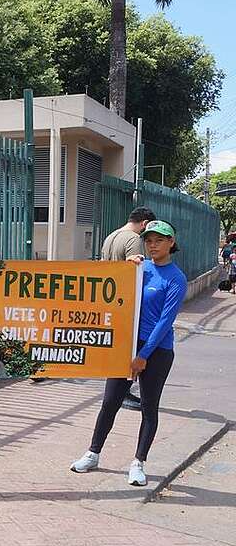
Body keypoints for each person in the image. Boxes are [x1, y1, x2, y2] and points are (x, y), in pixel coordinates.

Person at [71, 221, 187, 487]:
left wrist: (143, 355)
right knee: (110, 401)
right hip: (126, 347)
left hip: (157, 352)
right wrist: (127, 266)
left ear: (171, 243)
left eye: (159, 240)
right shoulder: (140, 268)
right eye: (149, 240)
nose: (153, 245)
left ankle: (138, 462)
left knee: (148, 406)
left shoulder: (176, 278)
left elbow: (164, 322)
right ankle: (93, 453)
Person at [100, 206, 156, 410]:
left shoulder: (111, 236)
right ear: (144, 224)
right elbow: (135, 272)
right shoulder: (133, 239)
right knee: (128, 348)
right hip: (126, 301)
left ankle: (119, 392)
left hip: (110, 300)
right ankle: (122, 392)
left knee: (117, 347)